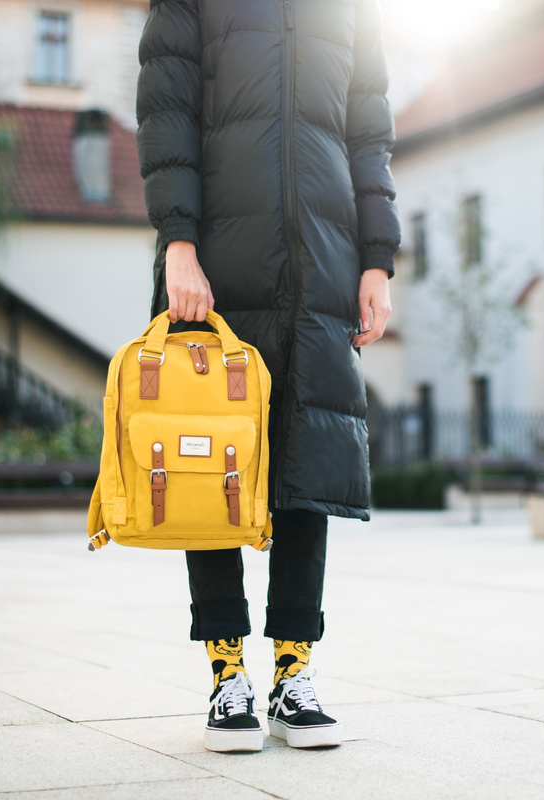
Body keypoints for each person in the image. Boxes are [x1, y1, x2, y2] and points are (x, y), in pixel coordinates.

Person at [135, 0, 400, 752]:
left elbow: (368, 129)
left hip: (322, 261)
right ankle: (226, 675)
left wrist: (377, 257)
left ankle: (293, 672)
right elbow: (167, 107)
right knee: (208, 460)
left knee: (308, 458)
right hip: (215, 264)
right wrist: (179, 243)